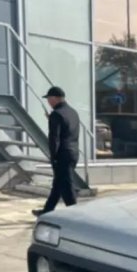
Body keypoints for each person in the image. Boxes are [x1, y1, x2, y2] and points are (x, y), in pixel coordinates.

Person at [33, 86, 80, 217]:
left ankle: (75, 213)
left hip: (62, 154)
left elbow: (55, 138)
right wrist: (52, 120)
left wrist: (53, 156)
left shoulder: (56, 114)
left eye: (49, 98)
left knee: (66, 185)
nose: (48, 101)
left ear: (55, 98)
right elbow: (68, 130)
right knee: (58, 184)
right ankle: (47, 210)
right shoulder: (73, 112)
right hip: (73, 152)